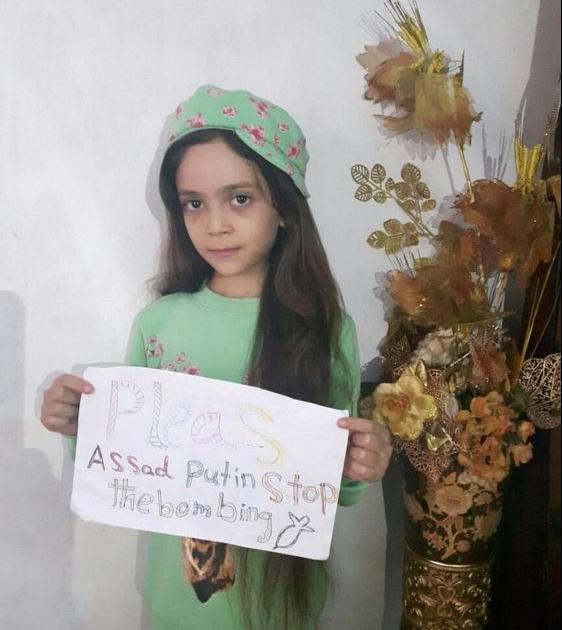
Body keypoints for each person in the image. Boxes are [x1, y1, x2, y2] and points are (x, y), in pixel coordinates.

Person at [40, 85, 392, 630]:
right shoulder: (159, 325)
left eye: (240, 199)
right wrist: (76, 422)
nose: (216, 225)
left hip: (282, 608)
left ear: (284, 207)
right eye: (194, 203)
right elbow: (128, 460)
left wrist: (364, 461)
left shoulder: (325, 331)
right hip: (175, 605)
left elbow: (334, 488)